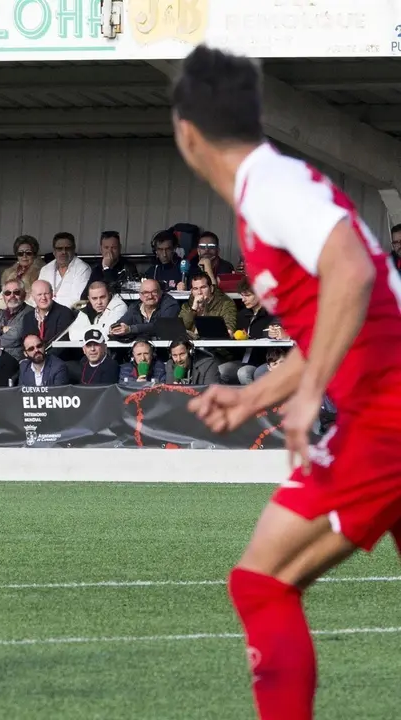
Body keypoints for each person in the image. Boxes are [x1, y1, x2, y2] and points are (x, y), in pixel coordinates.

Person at [174, 45, 401, 720]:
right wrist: (254, 394)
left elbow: (354, 273)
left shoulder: (271, 188)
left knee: (261, 584)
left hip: (388, 416)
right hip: (385, 408)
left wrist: (307, 399)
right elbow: (349, 309)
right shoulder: (273, 186)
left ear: (186, 132)